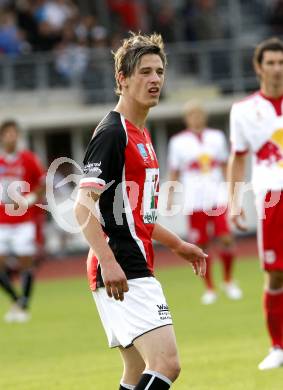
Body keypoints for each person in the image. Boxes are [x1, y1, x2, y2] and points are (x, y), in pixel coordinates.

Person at [74, 32, 207, 390]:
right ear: (122, 79)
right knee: (166, 363)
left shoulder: (141, 134)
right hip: (122, 263)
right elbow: (82, 207)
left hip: (129, 258)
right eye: (145, 72)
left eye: (159, 71)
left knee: (135, 374)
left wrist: (177, 243)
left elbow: (136, 214)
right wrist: (108, 261)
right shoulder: (113, 133)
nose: (155, 80)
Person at [228, 37, 283, 370]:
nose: (278, 69)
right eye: (272, 63)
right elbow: (237, 159)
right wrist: (234, 201)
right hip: (271, 197)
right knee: (276, 274)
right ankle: (278, 346)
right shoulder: (244, 111)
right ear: (258, 67)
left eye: (282, 62)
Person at [167, 101, 242, 305]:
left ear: (204, 116)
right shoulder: (178, 142)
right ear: (187, 118)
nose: (196, 118)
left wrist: (233, 192)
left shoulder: (216, 137)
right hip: (194, 200)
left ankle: (228, 280)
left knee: (225, 237)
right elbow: (174, 171)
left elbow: (227, 165)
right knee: (200, 245)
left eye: (199, 114)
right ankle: (209, 288)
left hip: (217, 196)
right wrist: (170, 196)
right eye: (192, 115)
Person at [0, 120, 45, 322]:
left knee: (26, 263)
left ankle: (23, 307)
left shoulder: (28, 158)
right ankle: (19, 300)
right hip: (1, 221)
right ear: (2, 137)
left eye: (14, 133)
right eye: (8, 133)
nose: (11, 137)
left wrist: (32, 198)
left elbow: (43, 182)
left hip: (23, 220)